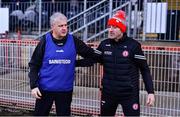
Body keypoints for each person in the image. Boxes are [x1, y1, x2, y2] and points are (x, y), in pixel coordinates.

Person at [77, 10, 155, 116]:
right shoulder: (104, 45)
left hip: (129, 94)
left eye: (115, 27)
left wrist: (150, 92)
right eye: (109, 26)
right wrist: (72, 63)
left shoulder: (134, 46)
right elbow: (92, 60)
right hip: (108, 93)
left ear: (122, 29)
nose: (110, 30)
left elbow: (145, 69)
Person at [28, 12, 101, 116]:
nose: (64, 28)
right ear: (53, 27)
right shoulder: (45, 41)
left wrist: (75, 63)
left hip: (65, 90)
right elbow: (34, 64)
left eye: (66, 25)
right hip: (44, 90)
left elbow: (91, 55)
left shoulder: (74, 41)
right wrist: (33, 86)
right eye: (60, 26)